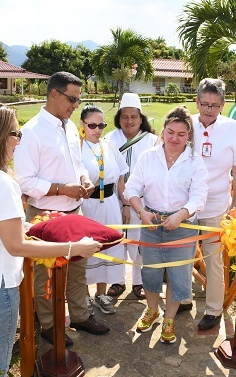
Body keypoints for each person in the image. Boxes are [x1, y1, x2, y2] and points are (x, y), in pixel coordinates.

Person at [0, 102, 101, 375]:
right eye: (15, 134)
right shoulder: (0, 181)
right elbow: (16, 246)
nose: (18, 142)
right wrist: (75, 247)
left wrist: (33, 225)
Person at [13, 71, 109, 348]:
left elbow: (76, 163)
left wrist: (83, 179)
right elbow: (25, 181)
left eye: (78, 100)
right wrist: (60, 189)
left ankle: (79, 315)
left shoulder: (68, 127)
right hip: (45, 215)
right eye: (72, 99)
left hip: (74, 211)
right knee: (46, 274)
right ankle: (49, 324)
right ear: (53, 94)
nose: (75, 106)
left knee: (78, 268)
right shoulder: (31, 131)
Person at [124, 105, 209, 344]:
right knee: (150, 271)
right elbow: (132, 188)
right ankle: (152, 310)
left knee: (177, 274)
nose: (175, 138)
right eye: (170, 132)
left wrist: (181, 215)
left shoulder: (195, 161)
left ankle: (169, 319)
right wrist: (141, 212)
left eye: (181, 134)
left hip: (181, 227)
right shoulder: (148, 157)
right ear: (163, 130)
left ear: (189, 136)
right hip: (150, 222)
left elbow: (199, 195)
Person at [181, 78, 236, 331]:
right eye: (204, 104)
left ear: (223, 104)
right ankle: (182, 299)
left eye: (214, 104)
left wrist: (235, 203)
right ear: (196, 101)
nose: (208, 109)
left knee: (213, 260)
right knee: (183, 254)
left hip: (216, 206)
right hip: (185, 205)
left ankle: (212, 310)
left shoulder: (234, 129)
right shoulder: (186, 124)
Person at [104, 93, 159, 299]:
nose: (129, 121)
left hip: (142, 201)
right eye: (124, 117)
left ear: (141, 118)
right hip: (113, 200)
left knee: (138, 241)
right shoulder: (109, 139)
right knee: (116, 239)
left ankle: (138, 281)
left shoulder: (152, 141)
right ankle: (117, 281)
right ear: (119, 118)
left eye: (133, 117)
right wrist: (122, 199)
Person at [79, 104, 129, 315]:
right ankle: (84, 296)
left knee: (108, 247)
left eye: (102, 125)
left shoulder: (110, 146)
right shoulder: (76, 148)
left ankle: (101, 294)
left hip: (109, 204)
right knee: (86, 250)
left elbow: (120, 178)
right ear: (82, 125)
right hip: (86, 206)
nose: (97, 129)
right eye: (92, 125)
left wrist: (125, 204)